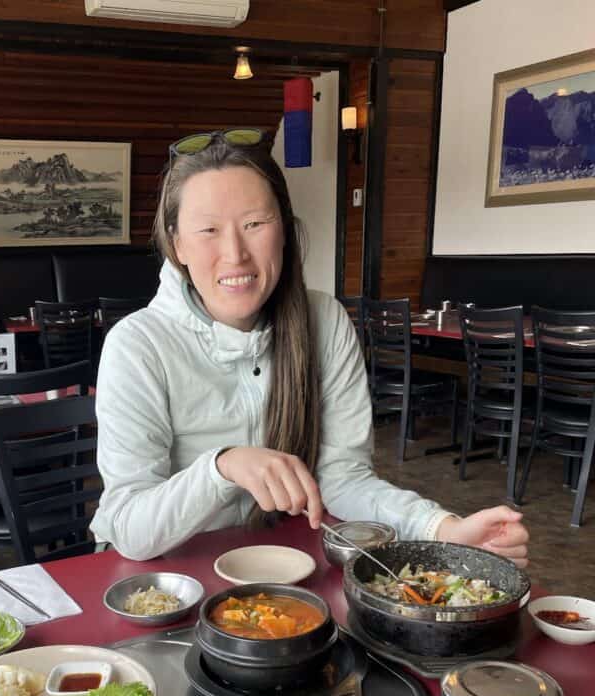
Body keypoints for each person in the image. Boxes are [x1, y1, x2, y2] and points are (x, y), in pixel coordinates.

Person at [90, 129, 528, 566]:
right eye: (208, 230)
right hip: (167, 579)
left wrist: (444, 529)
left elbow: (344, 479)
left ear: (284, 228)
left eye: (254, 224)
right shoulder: (137, 345)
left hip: (278, 567)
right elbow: (130, 529)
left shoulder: (324, 321)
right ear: (177, 245)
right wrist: (221, 467)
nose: (235, 253)